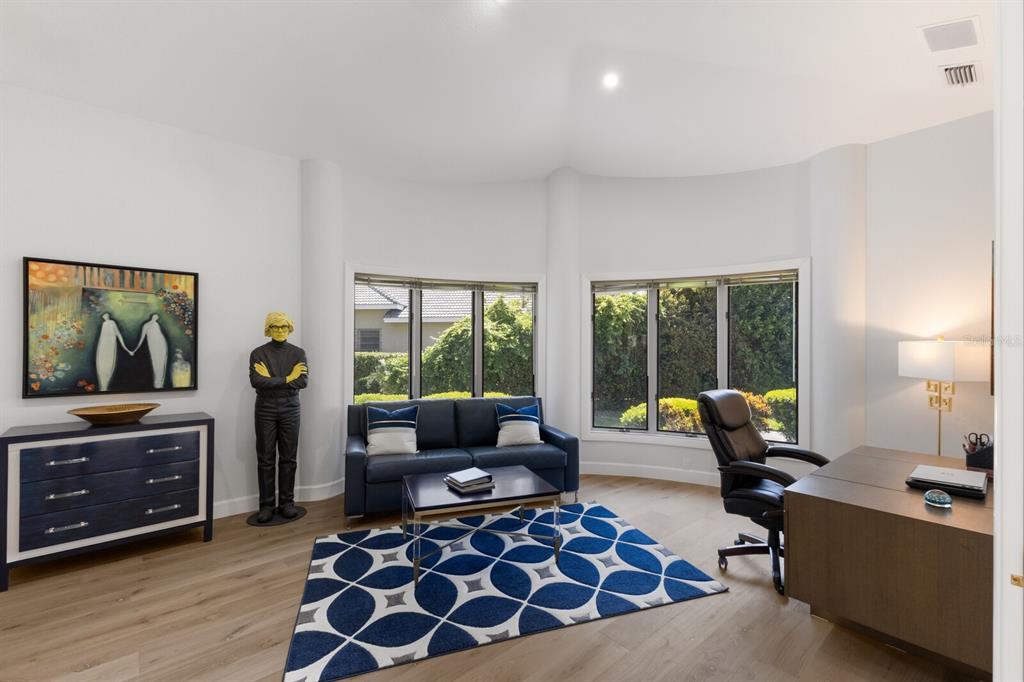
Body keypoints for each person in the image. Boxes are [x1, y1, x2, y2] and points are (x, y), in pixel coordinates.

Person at [249, 312, 308, 523]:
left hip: (291, 408)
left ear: (290, 328)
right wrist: (287, 378)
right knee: (265, 458)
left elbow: (302, 382)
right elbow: (256, 382)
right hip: (264, 408)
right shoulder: (258, 354)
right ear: (268, 330)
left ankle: (286, 503)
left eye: (284, 327)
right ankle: (266, 506)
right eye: (275, 327)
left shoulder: (298, 353)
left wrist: (272, 379)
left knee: (288, 458)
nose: (280, 331)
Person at [95, 312, 131, 391]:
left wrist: (126, 348)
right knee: (101, 363)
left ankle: (105, 386)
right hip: (103, 345)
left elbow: (118, 334)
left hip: (110, 345)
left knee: (109, 363)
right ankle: (103, 386)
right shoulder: (104, 324)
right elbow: (102, 337)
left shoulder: (112, 322)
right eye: (103, 316)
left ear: (108, 316)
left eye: (105, 315)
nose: (104, 316)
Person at [132, 313, 168, 389]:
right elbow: (142, 338)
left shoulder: (156, 324)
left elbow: (160, 334)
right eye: (155, 316)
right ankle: (157, 384)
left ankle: (160, 384)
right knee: (156, 362)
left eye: (157, 316)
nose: (156, 317)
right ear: (152, 317)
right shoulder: (146, 325)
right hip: (154, 345)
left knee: (162, 362)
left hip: (161, 344)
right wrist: (136, 349)